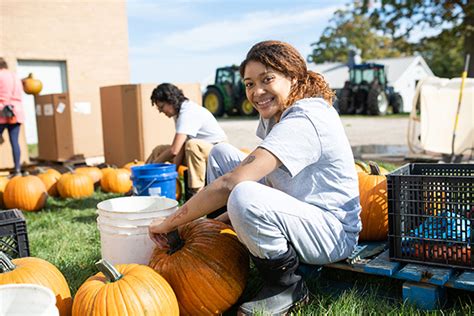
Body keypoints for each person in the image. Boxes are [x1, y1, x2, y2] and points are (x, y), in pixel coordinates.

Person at [149, 41, 361, 315]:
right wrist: (206, 225)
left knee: (241, 192)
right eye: (249, 84)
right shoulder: (277, 115)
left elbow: (233, 183)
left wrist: (171, 222)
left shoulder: (307, 118)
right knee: (221, 153)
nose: (257, 91)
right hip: (299, 210)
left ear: (293, 76)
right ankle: (227, 249)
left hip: (333, 234)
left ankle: (286, 285)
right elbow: (268, 182)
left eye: (267, 79)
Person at [147, 83, 227, 194]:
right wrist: (173, 172)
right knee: (159, 150)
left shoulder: (188, 112)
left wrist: (152, 165)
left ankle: (197, 193)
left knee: (192, 145)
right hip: (200, 153)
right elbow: (180, 147)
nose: (161, 111)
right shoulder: (178, 113)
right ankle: (142, 184)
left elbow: (174, 150)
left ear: (170, 101)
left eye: (161, 107)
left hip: (217, 152)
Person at [0, 58, 25, 176]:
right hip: (16, 111)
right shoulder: (15, 76)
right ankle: (18, 169)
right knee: (14, 141)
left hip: (3, 111)